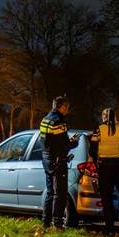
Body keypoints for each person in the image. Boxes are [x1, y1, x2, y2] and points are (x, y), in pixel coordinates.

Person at [90, 107, 119, 237]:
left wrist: (97, 161)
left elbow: (92, 148)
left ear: (104, 117)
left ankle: (109, 231)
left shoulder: (99, 130)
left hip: (104, 168)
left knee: (106, 200)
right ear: (115, 117)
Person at [39, 95, 76, 229]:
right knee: (60, 193)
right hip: (58, 160)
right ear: (62, 107)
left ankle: (45, 221)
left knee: (50, 191)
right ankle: (58, 222)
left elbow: (46, 141)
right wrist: (73, 143)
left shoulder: (45, 120)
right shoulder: (59, 122)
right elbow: (64, 144)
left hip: (46, 159)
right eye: (67, 107)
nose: (67, 110)